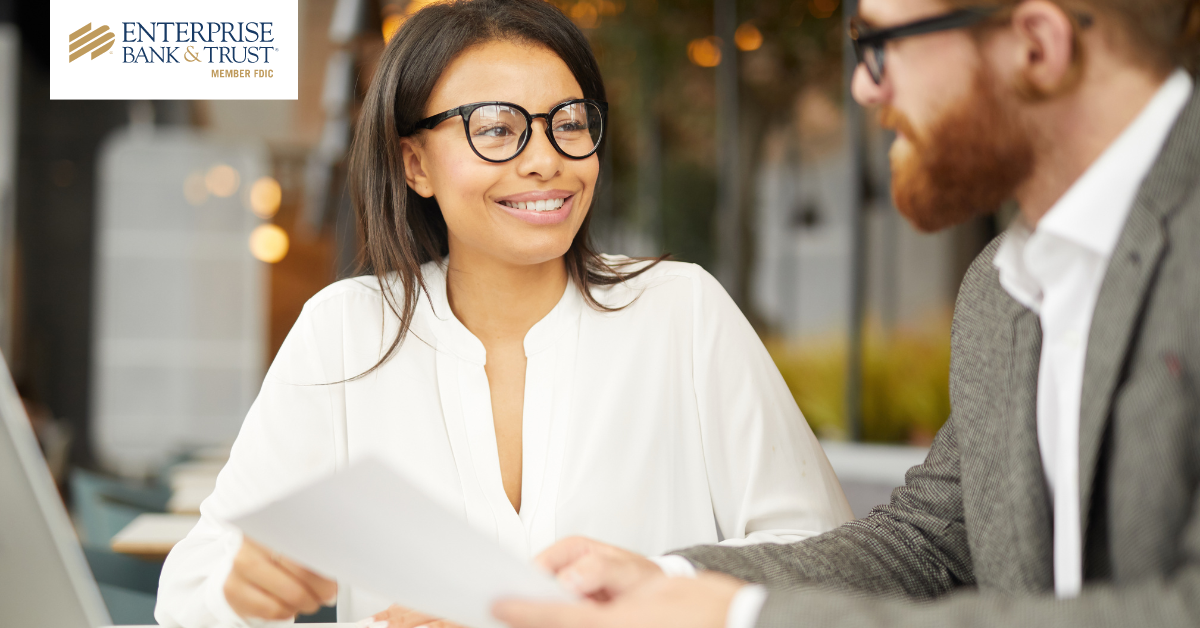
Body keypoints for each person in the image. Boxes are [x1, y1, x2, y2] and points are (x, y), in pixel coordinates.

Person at [492, 0, 1200, 627]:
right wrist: (669, 582)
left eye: (882, 44)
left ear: (1037, 47)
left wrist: (744, 617)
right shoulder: (1002, 288)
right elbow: (928, 546)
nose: (865, 86)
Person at [153, 1, 854, 626]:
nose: (546, 160)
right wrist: (243, 592)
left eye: (570, 124)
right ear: (414, 165)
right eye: (496, 129)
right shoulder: (346, 331)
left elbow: (824, 561)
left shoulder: (682, 311)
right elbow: (190, 594)